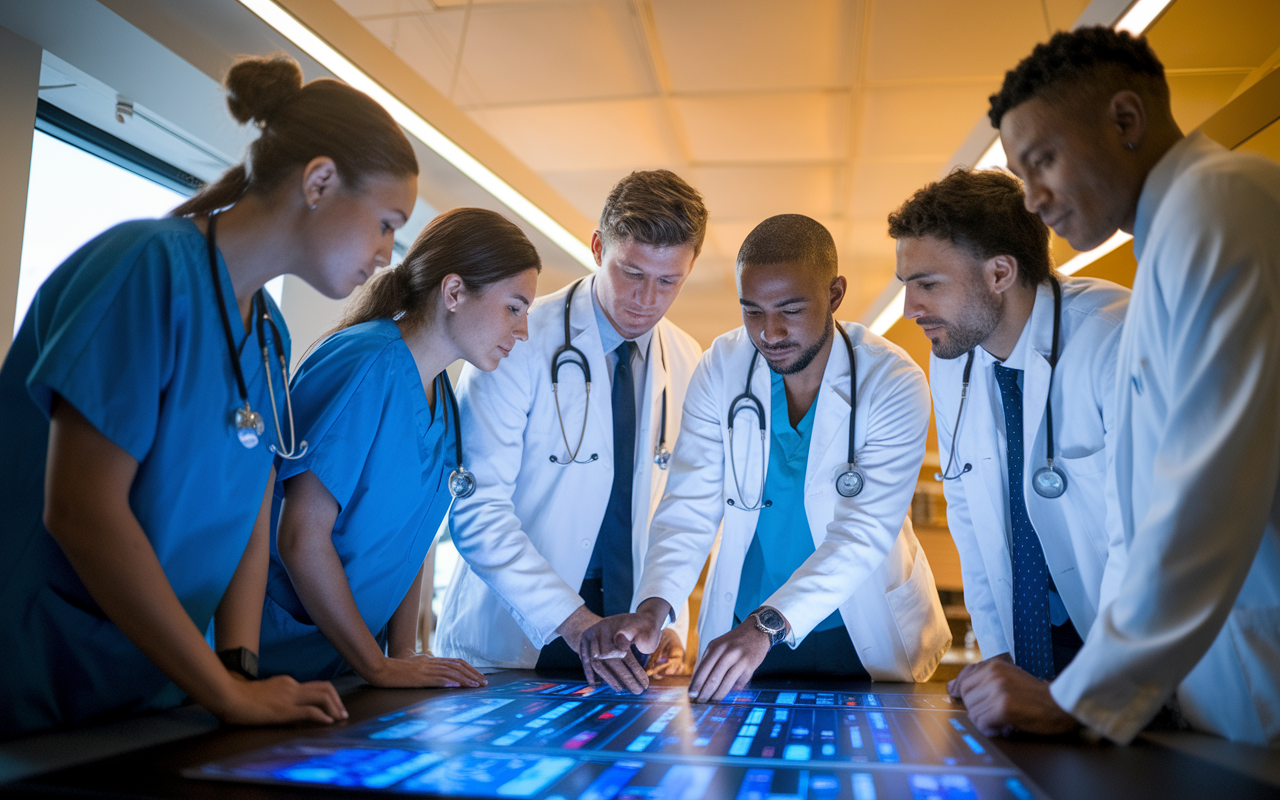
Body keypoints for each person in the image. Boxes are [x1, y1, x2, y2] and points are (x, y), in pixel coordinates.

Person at [0, 53, 418, 733]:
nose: (387, 252)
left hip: (147, 691)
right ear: (319, 181)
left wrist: (238, 667)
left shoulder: (270, 334)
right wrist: (225, 694)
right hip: (39, 677)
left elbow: (252, 507)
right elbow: (81, 509)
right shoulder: (145, 267)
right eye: (386, 222)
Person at [951, 26, 1280, 746]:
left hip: (1261, 680)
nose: (1033, 199)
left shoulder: (1220, 203)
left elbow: (1210, 487)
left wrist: (1084, 696)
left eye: (1043, 162)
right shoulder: (1171, 238)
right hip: (1223, 688)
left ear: (1125, 121)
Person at [581, 214, 952, 702]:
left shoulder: (892, 381)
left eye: (790, 310)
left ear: (835, 295)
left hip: (858, 632)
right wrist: (655, 605)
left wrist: (768, 625)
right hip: (744, 635)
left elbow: (863, 533)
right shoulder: (722, 367)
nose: (770, 333)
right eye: (752, 311)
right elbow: (689, 504)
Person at [435, 170, 706, 689]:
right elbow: (476, 509)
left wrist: (663, 612)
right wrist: (578, 624)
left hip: (632, 642)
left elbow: (682, 507)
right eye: (631, 272)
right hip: (518, 636)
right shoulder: (517, 336)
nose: (646, 299)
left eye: (668, 280)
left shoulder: (686, 357)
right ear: (598, 246)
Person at [258, 208, 539, 689]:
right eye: (514, 307)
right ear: (453, 292)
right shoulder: (366, 363)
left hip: (342, 663)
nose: (522, 331)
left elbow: (414, 542)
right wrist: (379, 665)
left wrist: (403, 652)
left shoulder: (443, 401)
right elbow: (301, 536)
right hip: (272, 655)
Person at [889, 168, 1129, 689]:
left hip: (1133, 653)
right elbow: (971, 521)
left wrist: (1098, 687)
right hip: (1033, 647)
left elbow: (1149, 540)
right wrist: (1000, 660)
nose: (911, 310)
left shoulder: (1116, 341)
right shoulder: (953, 358)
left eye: (927, 284)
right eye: (906, 287)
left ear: (999, 273)